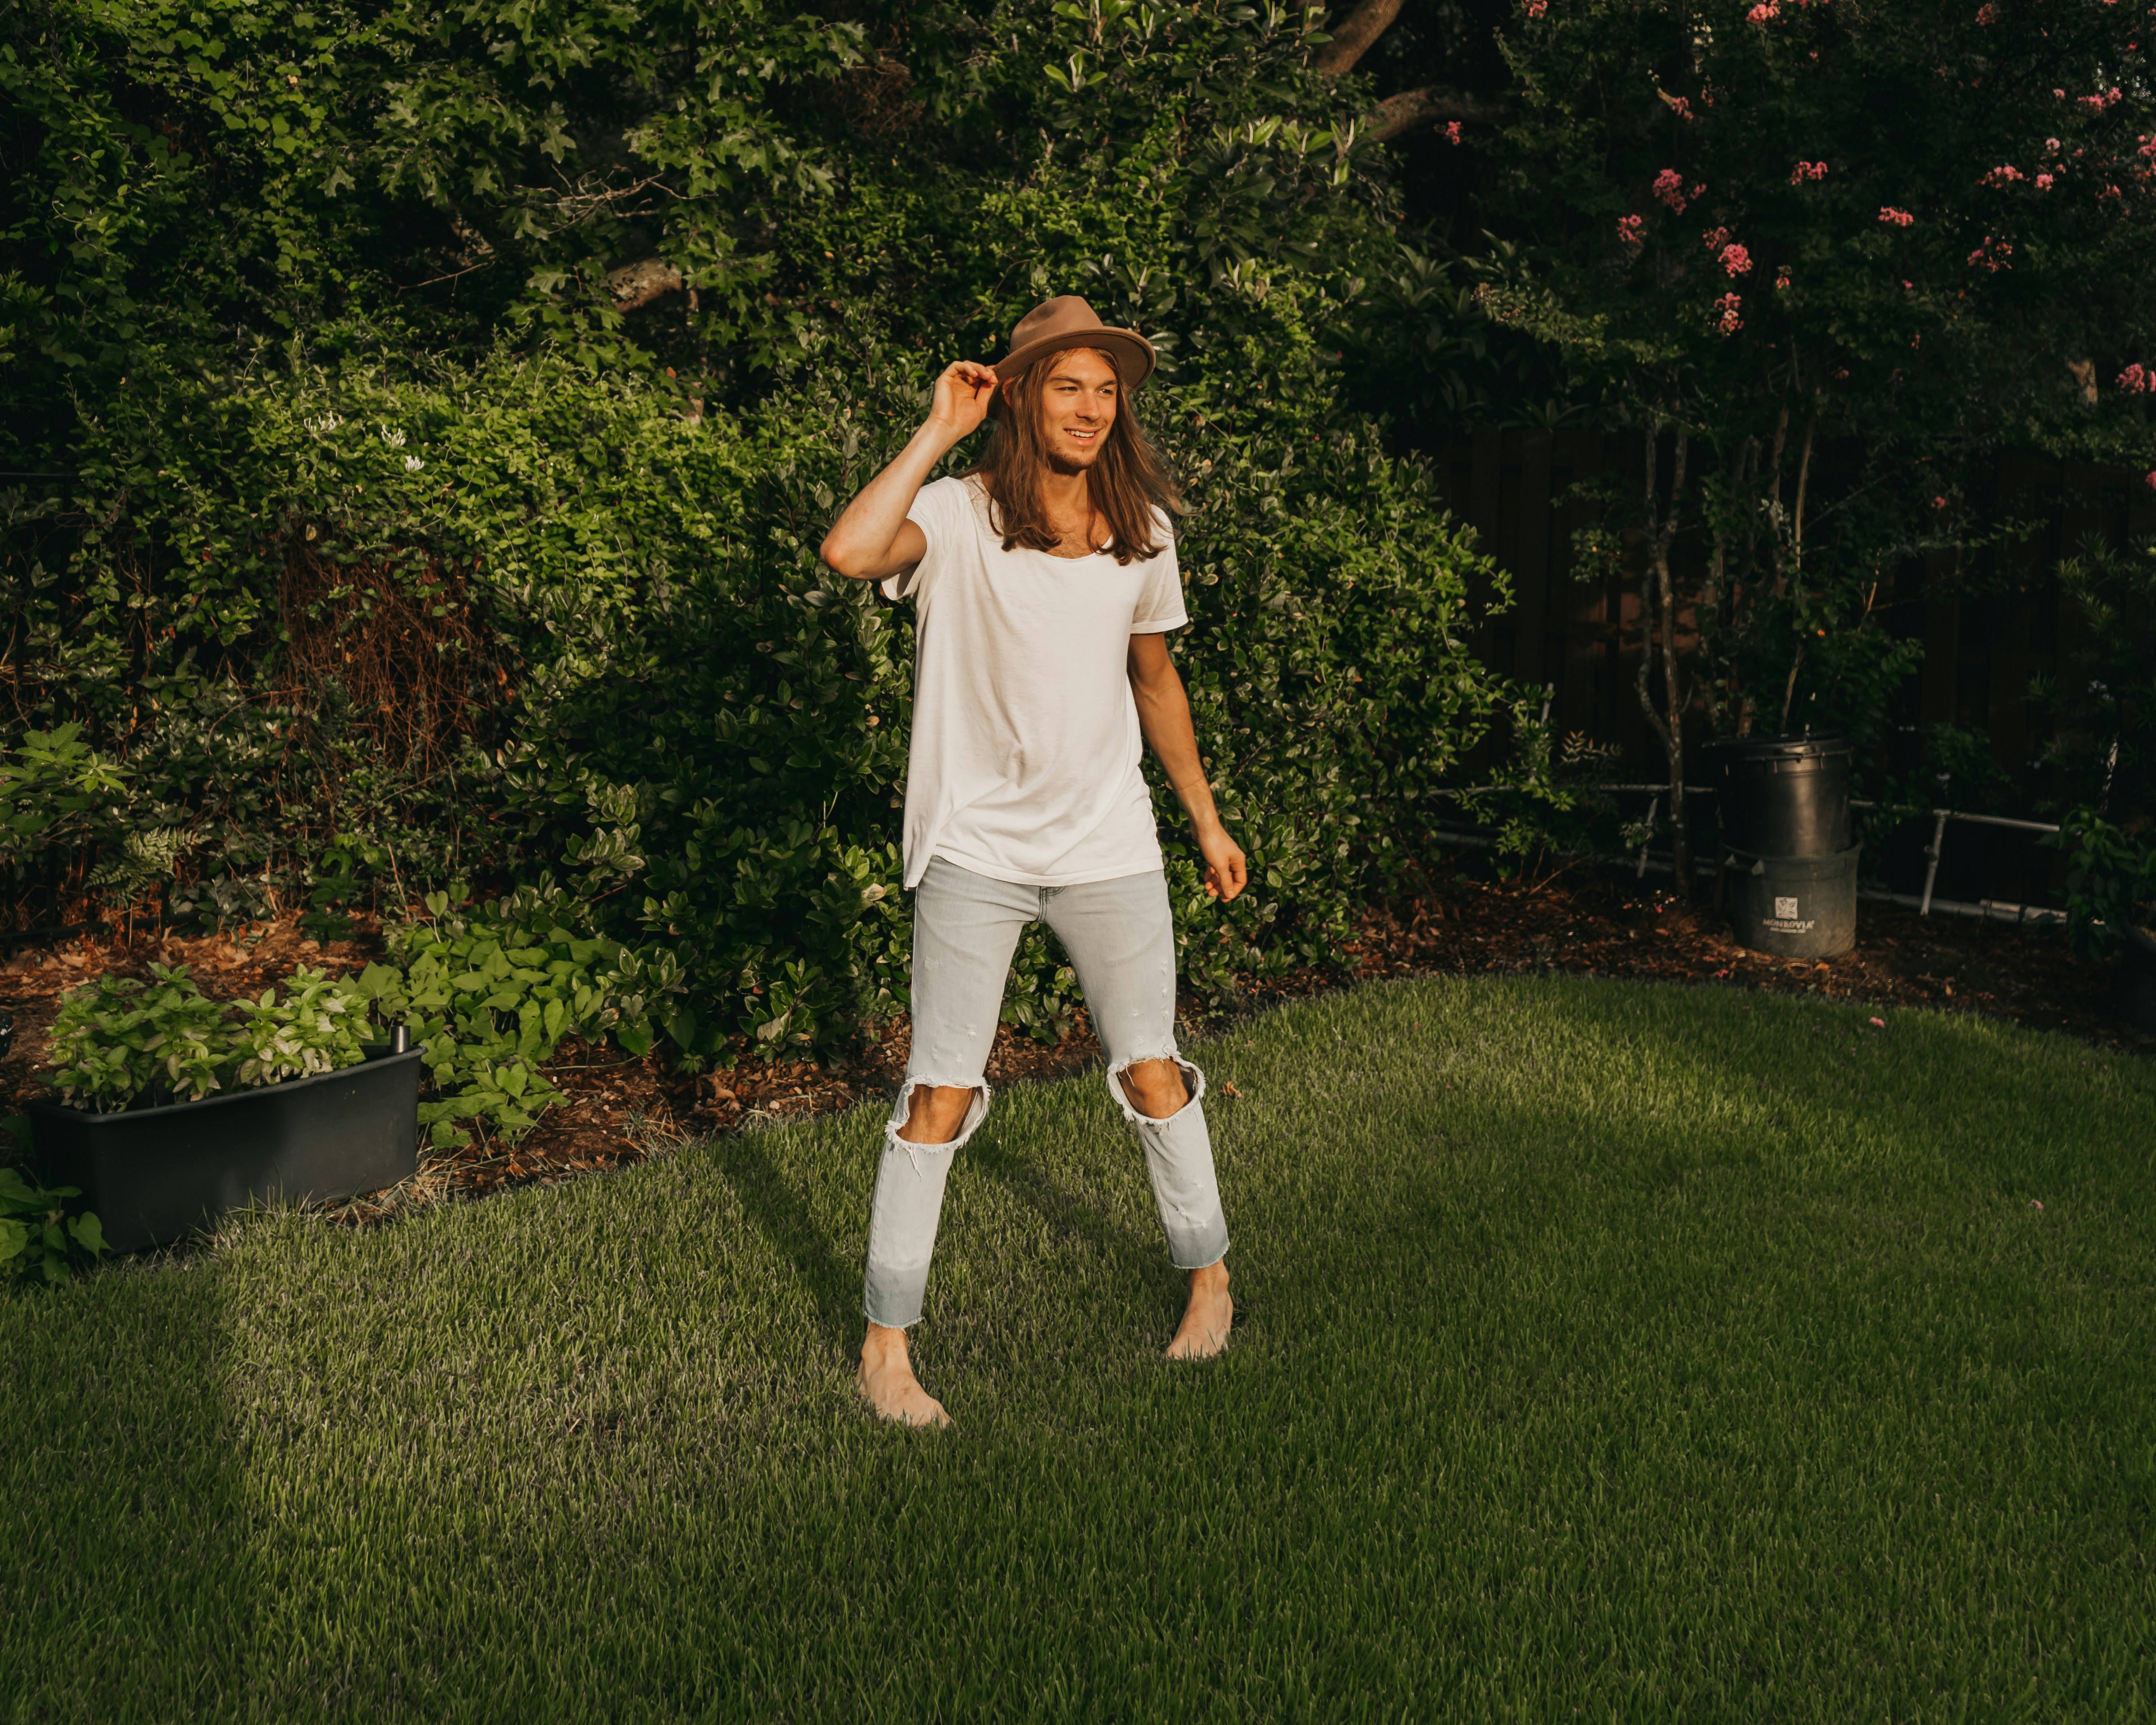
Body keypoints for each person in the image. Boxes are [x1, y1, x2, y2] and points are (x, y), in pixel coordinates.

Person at [818, 295, 1247, 1427]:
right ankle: (886, 1347)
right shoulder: (956, 517)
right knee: (938, 1096)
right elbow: (850, 549)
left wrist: (1204, 820)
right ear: (1020, 394)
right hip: (975, 850)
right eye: (1068, 384)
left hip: (1108, 847)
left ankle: (1210, 1283)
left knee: (1154, 1072)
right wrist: (935, 432)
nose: (1093, 407)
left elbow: (1157, 683)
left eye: (1108, 389)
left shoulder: (1142, 532)